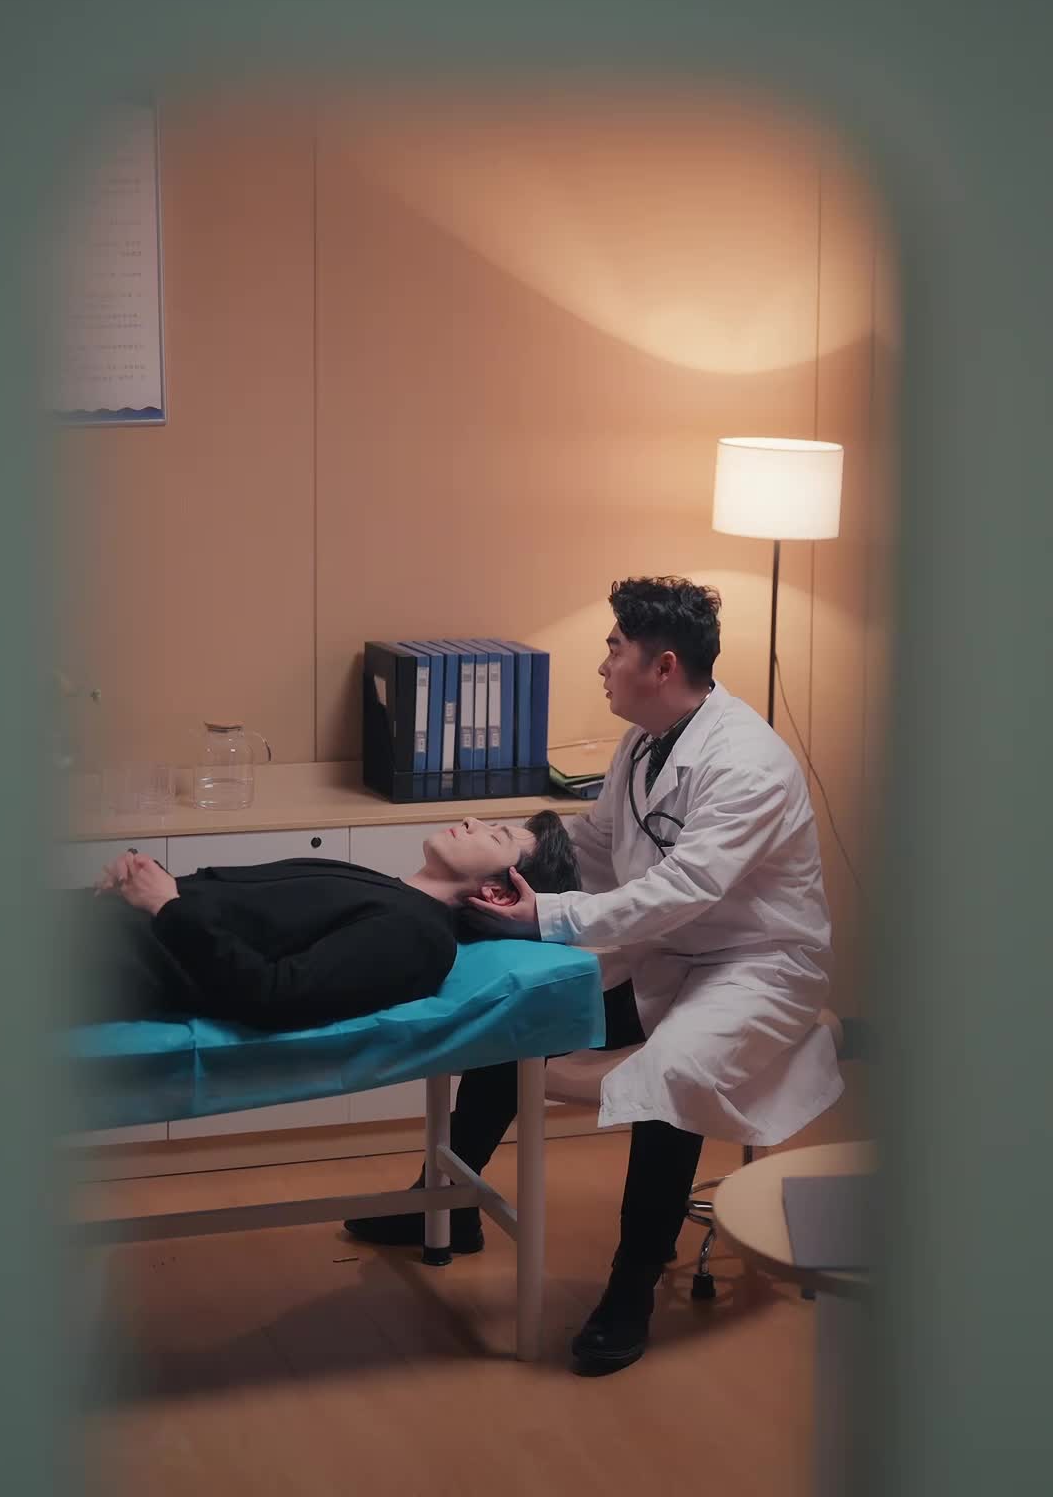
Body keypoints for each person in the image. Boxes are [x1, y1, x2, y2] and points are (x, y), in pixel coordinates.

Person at [347, 576, 843, 1377]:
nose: (603, 664)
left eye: (615, 649)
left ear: (663, 665)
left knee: (673, 1072)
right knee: (520, 1010)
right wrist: (512, 859)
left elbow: (686, 887)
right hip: (669, 951)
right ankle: (449, 1207)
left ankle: (631, 1287)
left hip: (757, 963)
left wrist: (544, 915)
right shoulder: (645, 740)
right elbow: (603, 846)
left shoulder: (747, 763)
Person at [60, 809, 579, 1032]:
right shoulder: (388, 890)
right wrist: (146, 880)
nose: (471, 821)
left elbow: (273, 994)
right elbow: (239, 911)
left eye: (494, 835)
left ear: (497, 892)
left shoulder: (419, 936)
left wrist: (166, 906)